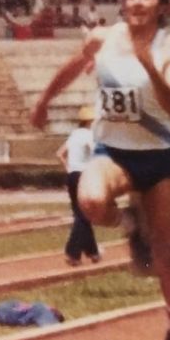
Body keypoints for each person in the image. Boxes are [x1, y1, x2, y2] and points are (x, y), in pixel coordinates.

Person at [29, 0, 170, 340]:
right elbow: (74, 65)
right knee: (90, 200)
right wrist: (44, 101)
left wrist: (149, 67)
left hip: (158, 157)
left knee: (166, 254)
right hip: (113, 152)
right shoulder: (104, 39)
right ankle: (130, 224)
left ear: (162, 5)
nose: (137, 1)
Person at [56, 106, 100, 267]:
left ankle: (93, 252)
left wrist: (69, 167)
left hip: (72, 175)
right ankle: (72, 252)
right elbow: (96, 152)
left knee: (80, 212)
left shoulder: (74, 135)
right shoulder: (89, 135)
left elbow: (60, 153)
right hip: (84, 175)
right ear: (90, 121)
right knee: (84, 214)